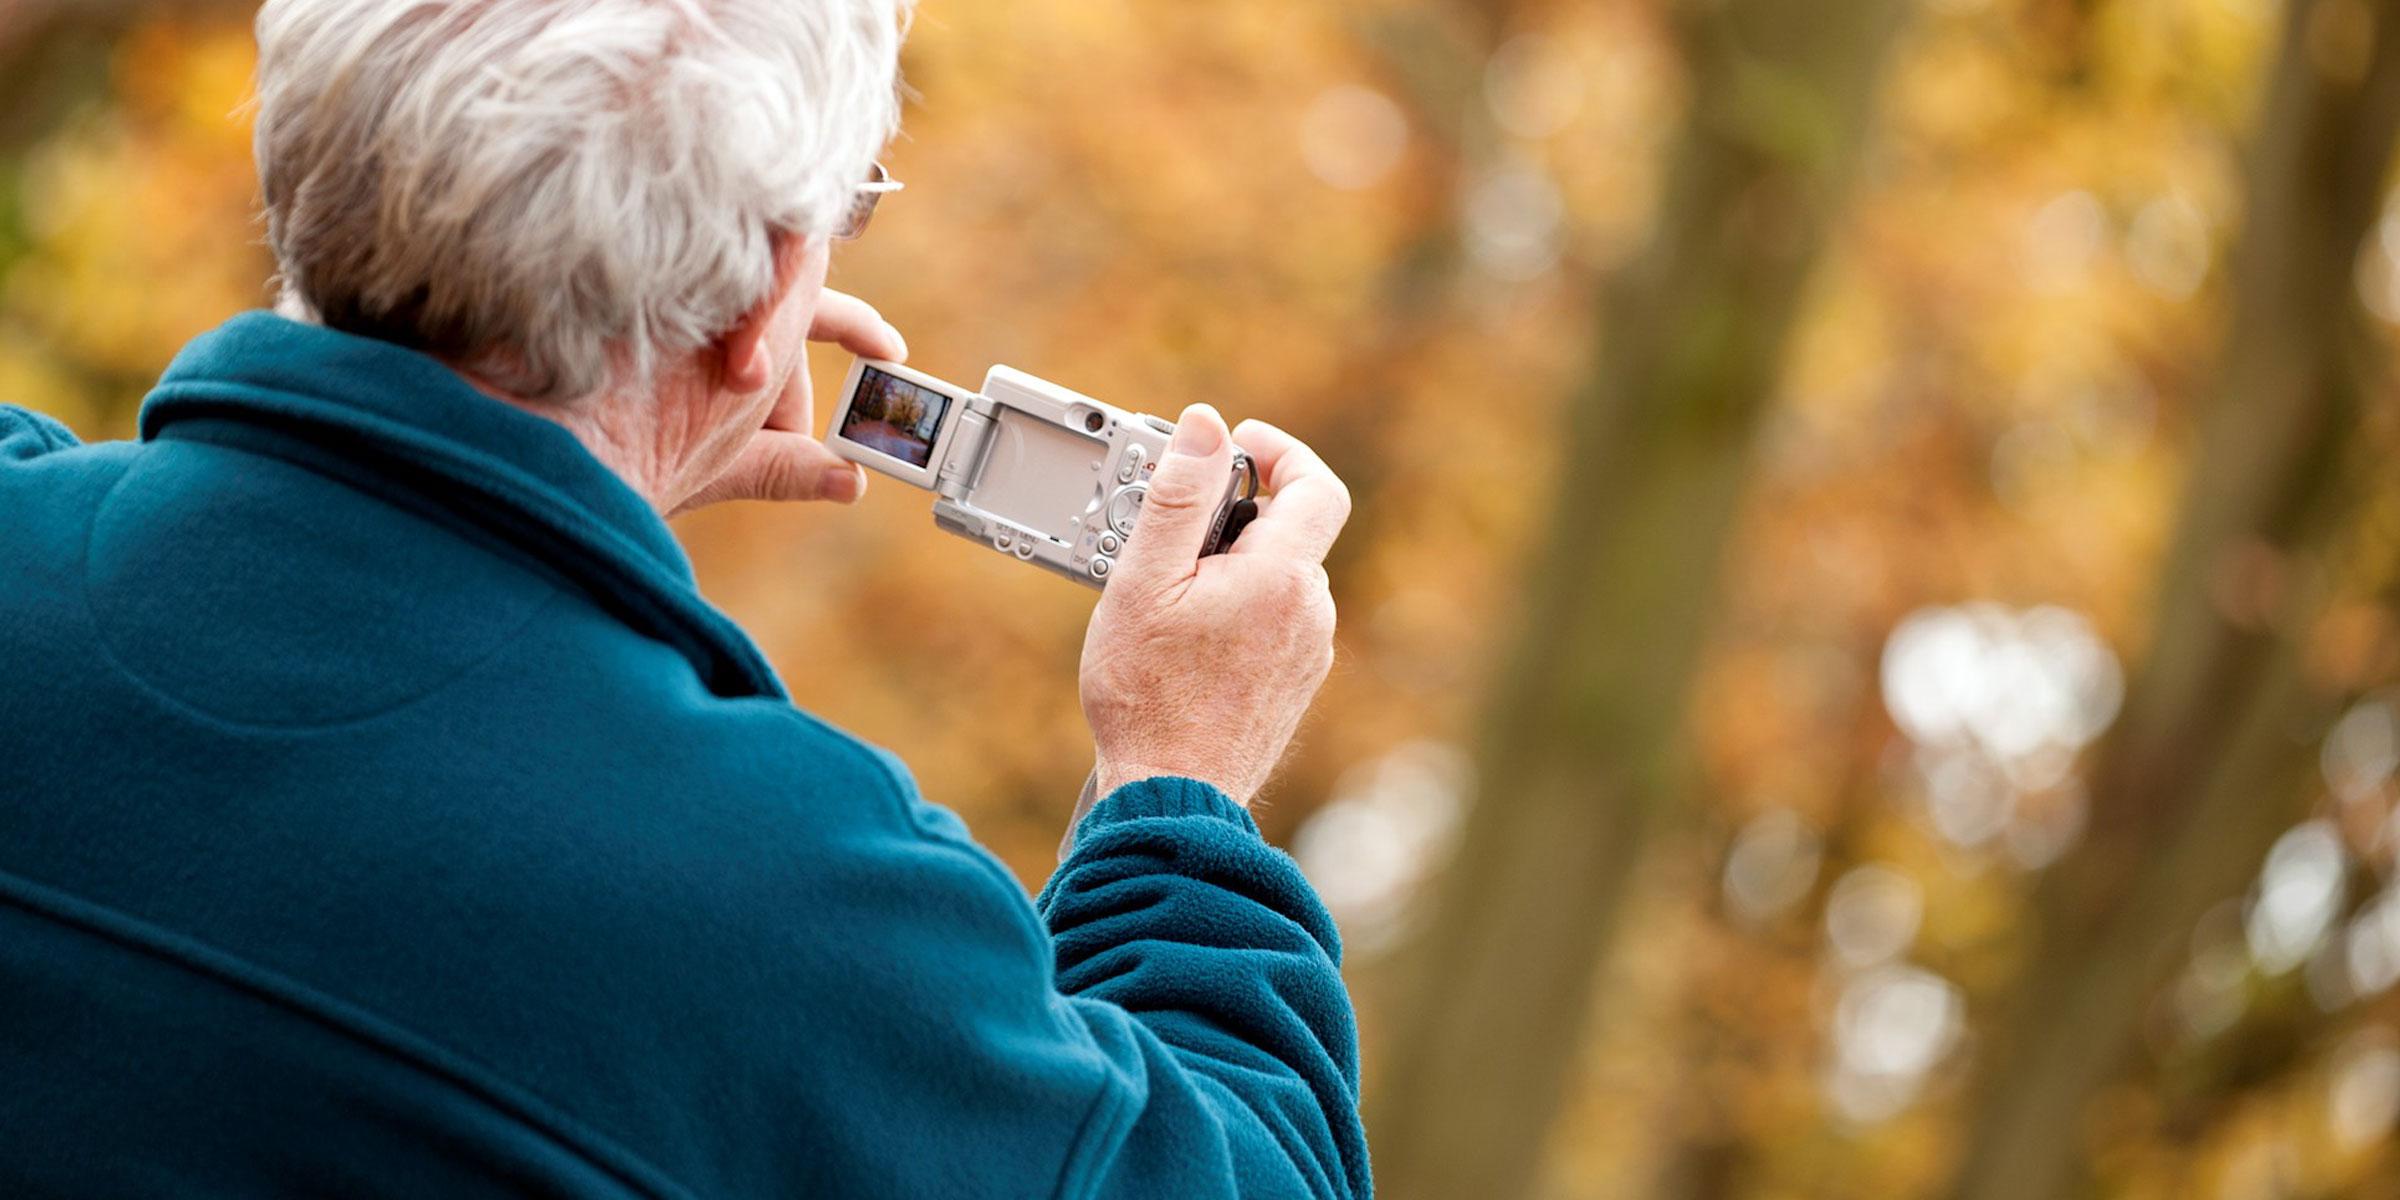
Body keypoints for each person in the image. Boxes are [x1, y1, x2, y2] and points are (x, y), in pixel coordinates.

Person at [0, 2, 1368, 1197]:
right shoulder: (799, 904)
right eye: (854, 206)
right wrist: (1176, 781)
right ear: (765, 299)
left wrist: (575, 473)